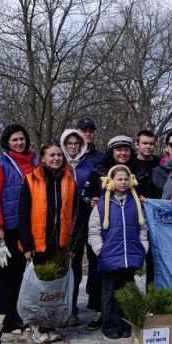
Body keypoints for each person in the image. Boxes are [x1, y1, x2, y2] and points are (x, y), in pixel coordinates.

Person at [18, 142, 76, 344]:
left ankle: (50, 324)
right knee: (39, 288)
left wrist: (69, 244)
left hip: (59, 244)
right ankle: (36, 325)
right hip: (38, 243)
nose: (56, 158)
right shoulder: (31, 180)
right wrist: (27, 245)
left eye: (59, 155)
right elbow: (23, 214)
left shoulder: (69, 179)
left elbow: (73, 212)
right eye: (51, 155)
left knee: (54, 287)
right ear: (42, 158)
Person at [82, 136, 138, 329]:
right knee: (103, 281)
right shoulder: (98, 170)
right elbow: (85, 195)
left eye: (126, 149)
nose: (122, 153)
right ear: (112, 151)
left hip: (128, 238)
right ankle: (102, 314)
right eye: (118, 149)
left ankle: (124, 319)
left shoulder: (137, 171)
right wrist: (91, 201)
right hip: (105, 236)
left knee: (125, 284)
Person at [88, 165, 149, 339]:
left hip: (130, 257)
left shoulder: (135, 203)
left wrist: (142, 248)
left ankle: (126, 325)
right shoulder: (101, 205)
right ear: (111, 181)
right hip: (109, 258)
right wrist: (101, 250)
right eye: (119, 179)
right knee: (109, 295)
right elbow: (94, 231)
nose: (123, 182)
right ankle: (110, 326)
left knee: (127, 293)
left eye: (125, 179)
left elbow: (143, 228)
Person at [0, 124, 36, 334]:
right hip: (7, 228)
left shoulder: (34, 161)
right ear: (7, 142)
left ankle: (19, 316)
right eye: (14, 140)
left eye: (22, 139)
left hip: (28, 226)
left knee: (20, 274)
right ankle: (6, 321)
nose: (19, 143)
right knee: (4, 276)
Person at [61, 128, 96, 326]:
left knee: (76, 267)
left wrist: (92, 200)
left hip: (83, 224)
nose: (73, 147)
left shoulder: (88, 168)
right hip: (61, 225)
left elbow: (93, 194)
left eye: (76, 143)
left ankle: (73, 307)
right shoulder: (58, 165)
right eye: (69, 144)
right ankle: (61, 306)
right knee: (63, 266)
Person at [133, 128, 160, 285]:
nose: (148, 147)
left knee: (153, 259)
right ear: (137, 144)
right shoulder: (131, 163)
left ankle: (152, 297)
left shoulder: (160, 163)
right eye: (144, 143)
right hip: (134, 216)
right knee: (132, 259)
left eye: (151, 144)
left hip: (155, 218)